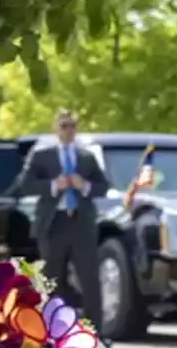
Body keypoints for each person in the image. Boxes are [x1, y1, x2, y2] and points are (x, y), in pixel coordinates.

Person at [15, 110, 112, 333]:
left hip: (81, 222)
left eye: (71, 126)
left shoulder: (86, 157)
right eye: (63, 126)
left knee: (89, 277)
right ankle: (51, 330)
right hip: (53, 223)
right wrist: (52, 185)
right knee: (52, 278)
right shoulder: (42, 155)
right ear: (55, 128)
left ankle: (96, 331)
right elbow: (25, 184)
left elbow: (103, 187)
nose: (68, 130)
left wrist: (84, 186)